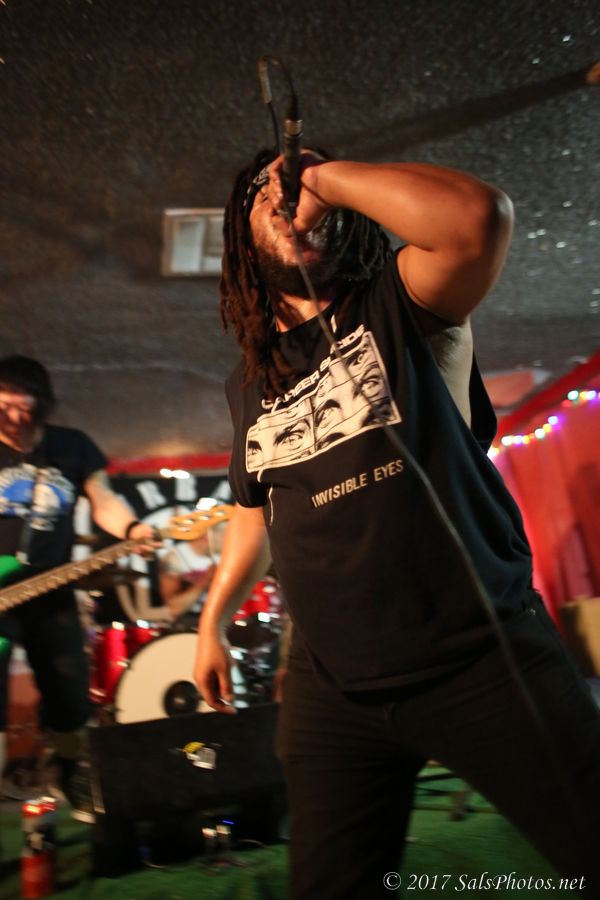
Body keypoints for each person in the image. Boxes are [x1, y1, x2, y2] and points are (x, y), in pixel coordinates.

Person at [194, 150, 600, 897]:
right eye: (263, 192)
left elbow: (478, 220)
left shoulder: (403, 300)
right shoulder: (250, 382)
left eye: (299, 182)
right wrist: (212, 621)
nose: (286, 194)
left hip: (477, 662)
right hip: (331, 689)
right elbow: (255, 514)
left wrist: (321, 178)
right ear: (238, 236)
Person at [0, 356, 156, 819]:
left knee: (70, 695)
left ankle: (65, 772)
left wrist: (133, 529)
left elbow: (103, 500)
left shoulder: (71, 446)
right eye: (3, 407)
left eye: (24, 408)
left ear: (42, 405)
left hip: (51, 589)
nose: (14, 418)